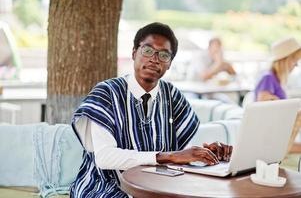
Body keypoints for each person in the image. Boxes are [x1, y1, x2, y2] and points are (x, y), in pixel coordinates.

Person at [70, 22, 233, 197]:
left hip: (155, 186)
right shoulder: (106, 93)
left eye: (163, 55)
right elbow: (105, 158)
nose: (154, 59)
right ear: (134, 53)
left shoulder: (172, 95)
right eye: (147, 51)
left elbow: (179, 149)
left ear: (169, 63)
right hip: (105, 185)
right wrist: (168, 157)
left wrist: (207, 152)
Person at [254, 37, 301, 152]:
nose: (296, 66)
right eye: (295, 60)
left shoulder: (275, 80)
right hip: (272, 143)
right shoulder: (268, 78)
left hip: (279, 140)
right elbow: (263, 116)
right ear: (286, 60)